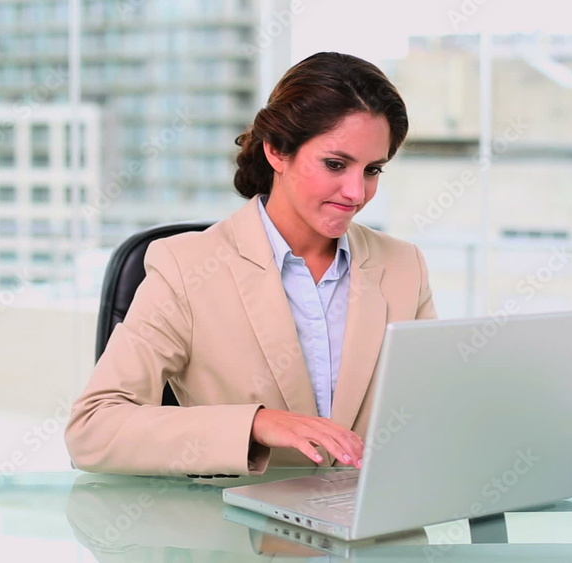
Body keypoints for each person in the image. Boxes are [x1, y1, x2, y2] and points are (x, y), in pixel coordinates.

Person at [64, 52, 436, 477]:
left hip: (375, 529)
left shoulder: (405, 267)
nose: (356, 192)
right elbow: (92, 430)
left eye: (372, 170)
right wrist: (255, 424)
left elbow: (433, 413)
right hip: (239, 535)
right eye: (335, 164)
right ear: (277, 151)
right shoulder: (186, 266)